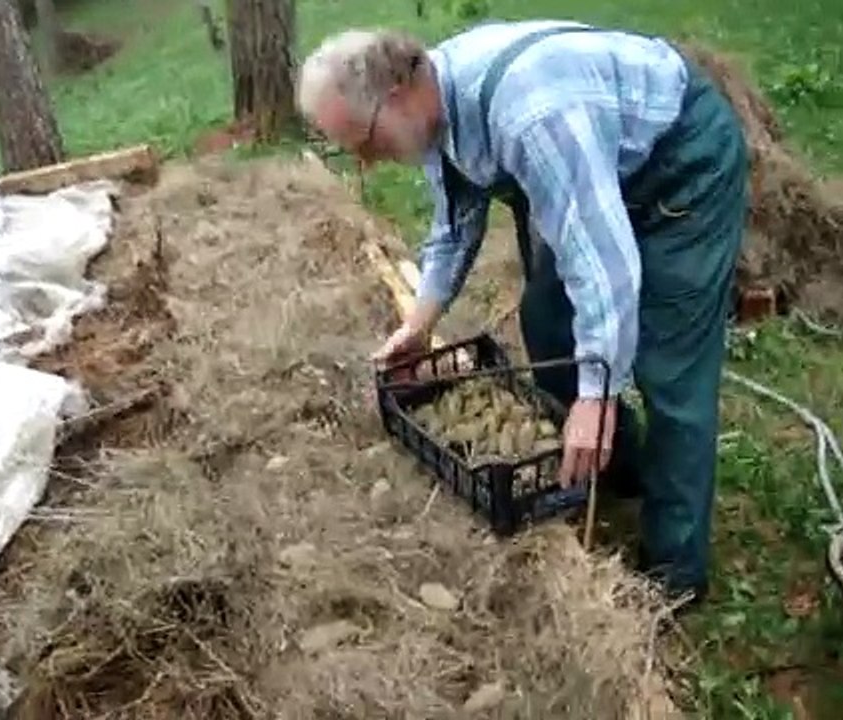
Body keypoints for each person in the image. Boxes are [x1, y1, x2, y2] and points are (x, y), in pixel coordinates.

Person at [295, 19, 749, 606]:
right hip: (598, 167)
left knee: (672, 369)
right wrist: (420, 324)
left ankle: (674, 572)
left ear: (396, 94)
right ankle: (620, 466)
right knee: (547, 318)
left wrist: (597, 394)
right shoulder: (435, 108)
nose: (368, 163)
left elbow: (601, 263)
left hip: (680, 165)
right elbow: (454, 223)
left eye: (365, 143)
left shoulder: (531, 115)